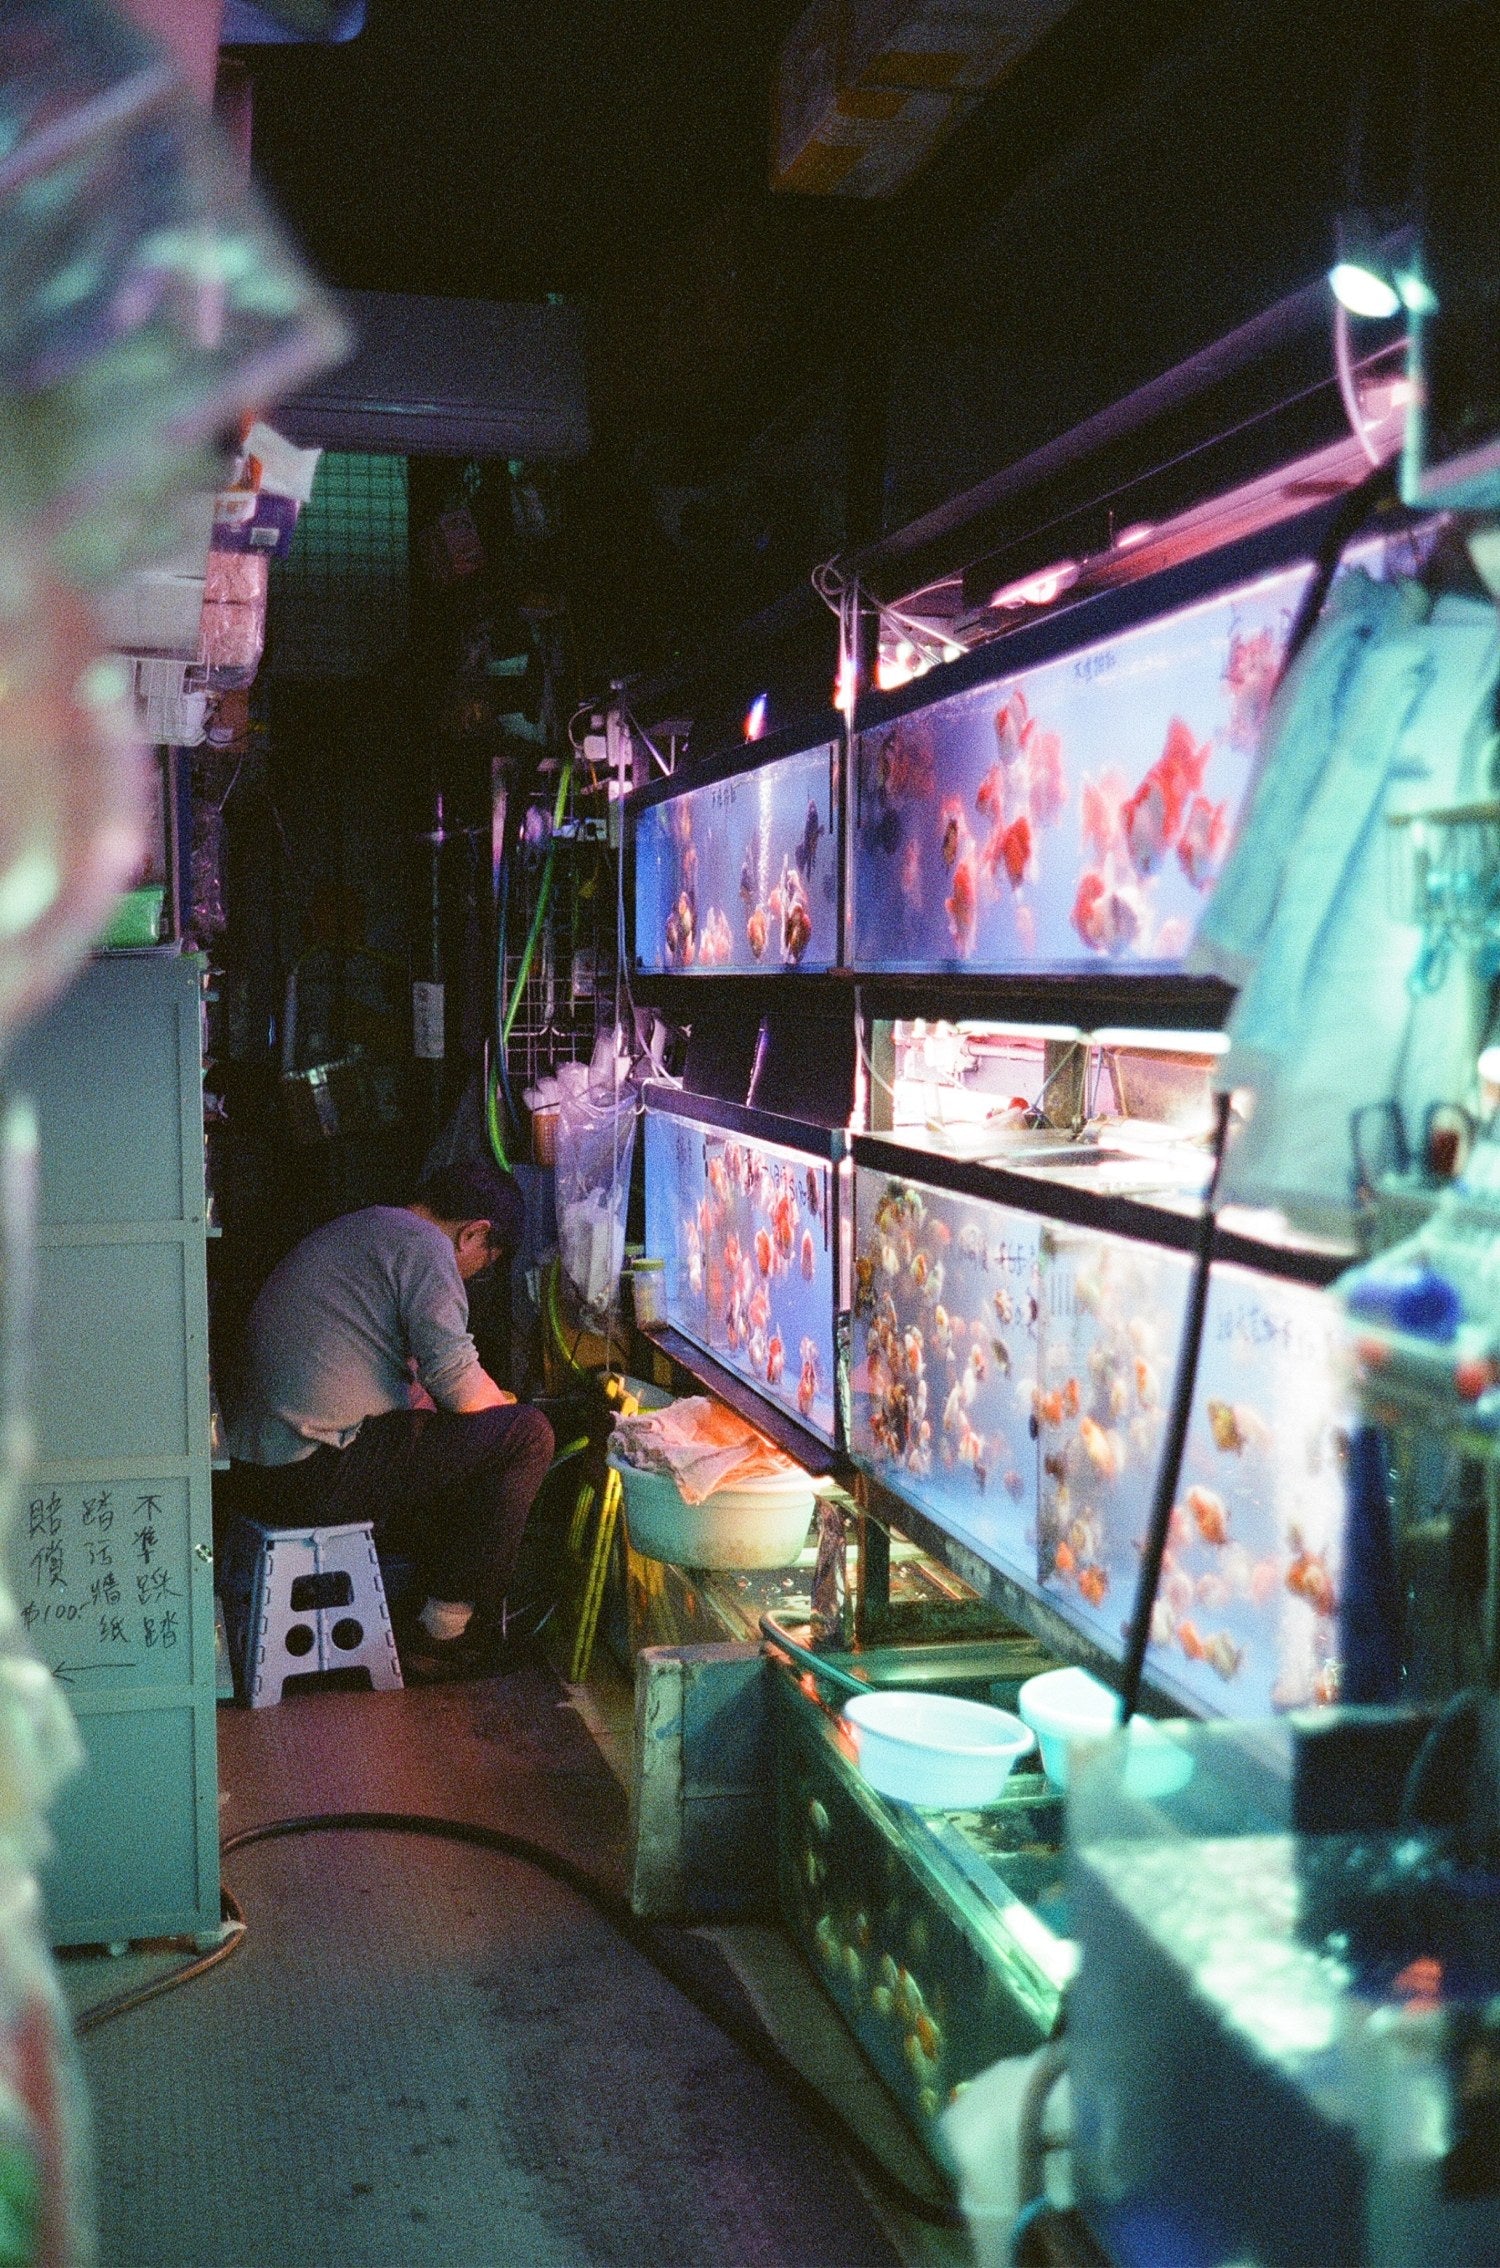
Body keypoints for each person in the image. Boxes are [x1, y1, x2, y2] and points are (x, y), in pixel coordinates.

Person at [225, 1159, 555, 1682]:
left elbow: (409, 1380)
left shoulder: (372, 1227)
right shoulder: (426, 1246)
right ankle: (444, 1632)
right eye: (482, 1265)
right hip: (311, 1472)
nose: (471, 1277)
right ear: (475, 1233)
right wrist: (508, 1410)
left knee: (451, 1443)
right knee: (527, 1437)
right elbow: (458, 1383)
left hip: (261, 1470)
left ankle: (418, 1611)